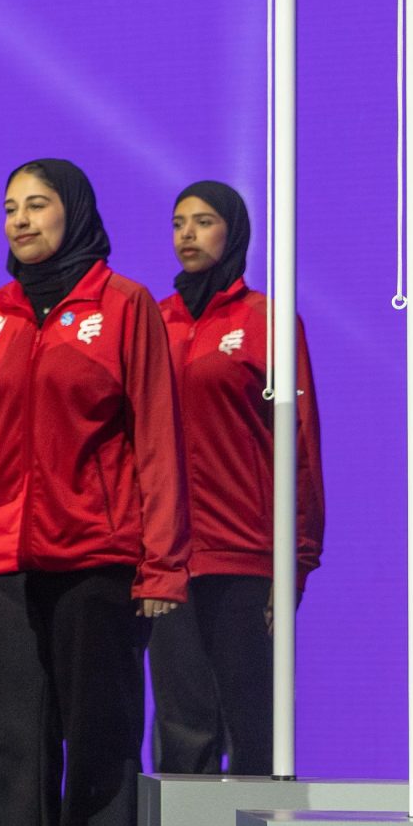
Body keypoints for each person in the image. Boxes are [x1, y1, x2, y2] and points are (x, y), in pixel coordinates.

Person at [0, 159, 188, 826]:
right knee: (14, 745)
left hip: (98, 556)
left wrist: (162, 565)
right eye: (10, 207)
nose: (21, 220)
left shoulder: (125, 305)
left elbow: (158, 439)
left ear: (77, 213)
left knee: (98, 739)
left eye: (38, 204)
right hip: (3, 558)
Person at [150, 182, 323, 777]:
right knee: (181, 728)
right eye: (179, 223)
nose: (188, 234)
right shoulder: (154, 322)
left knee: (253, 723)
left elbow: (300, 444)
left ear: (234, 231)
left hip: (245, 556)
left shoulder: (268, 321)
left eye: (203, 221)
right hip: (168, 558)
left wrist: (295, 560)